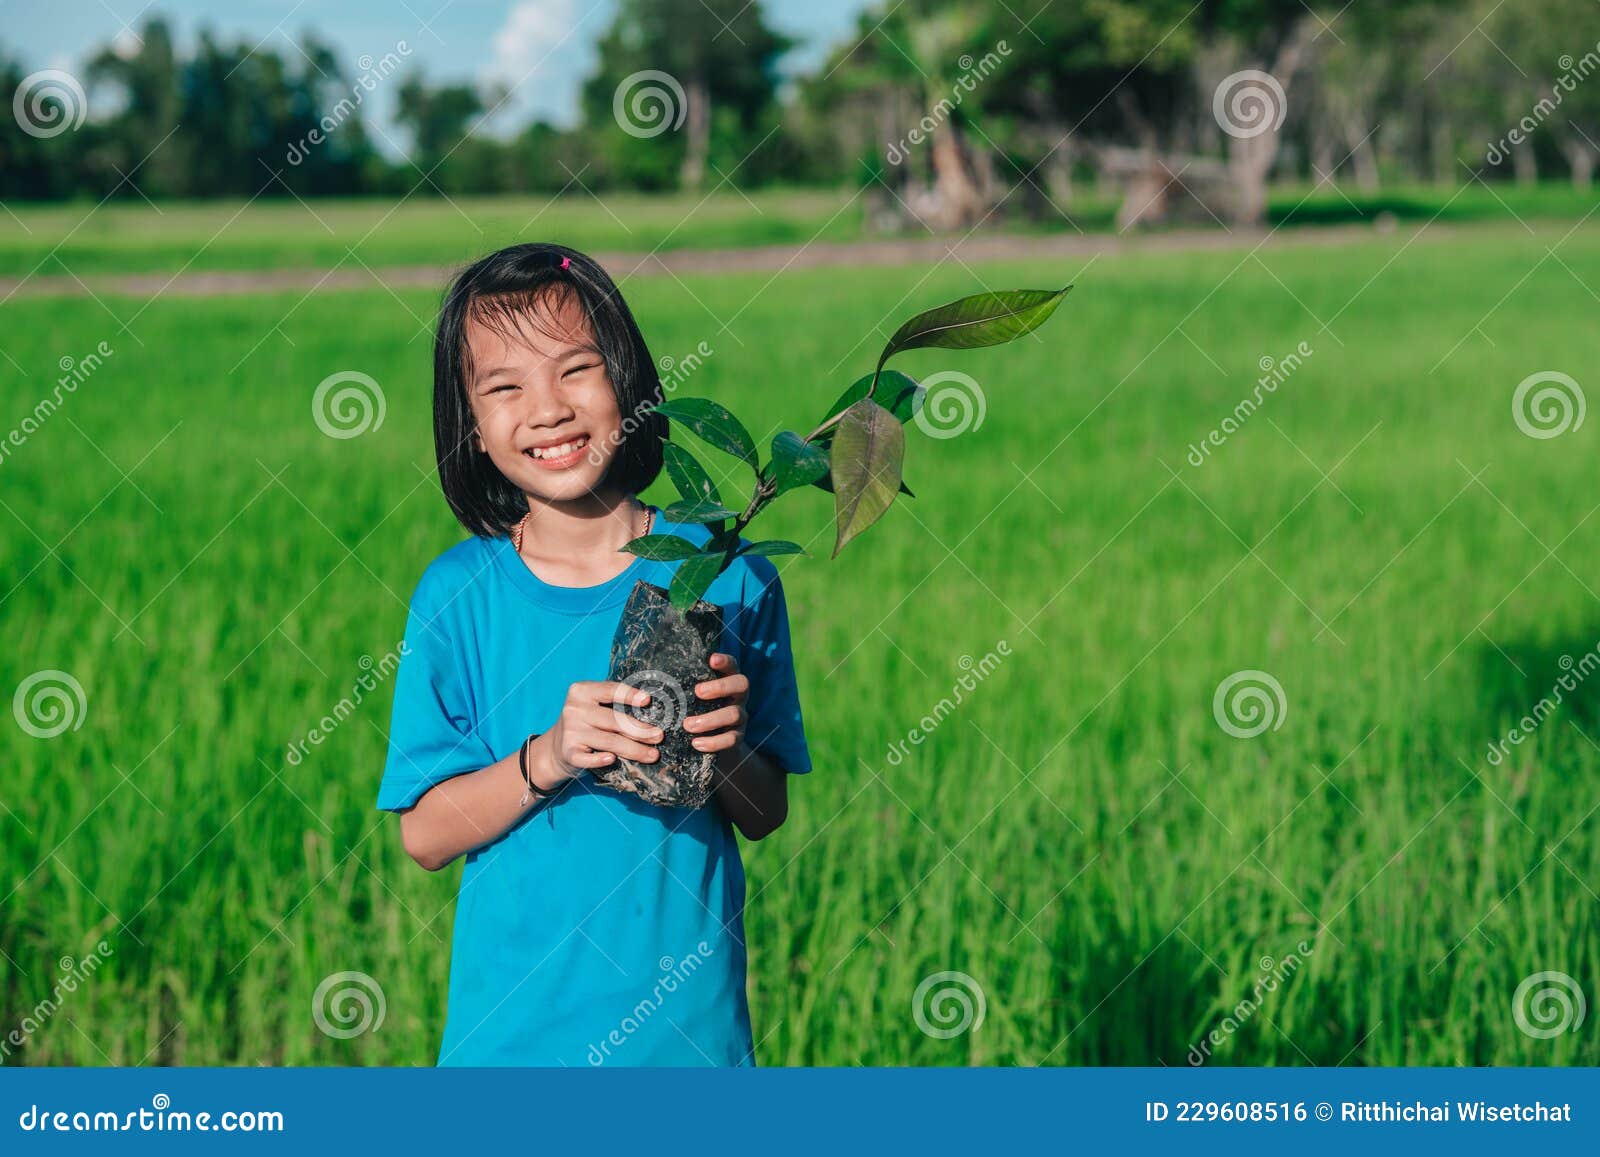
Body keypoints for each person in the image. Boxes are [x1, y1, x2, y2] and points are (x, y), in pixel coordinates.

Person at [376, 242, 812, 1065]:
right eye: (504, 386)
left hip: (689, 1051)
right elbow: (426, 835)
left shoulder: (722, 572)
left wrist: (721, 747)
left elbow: (766, 812)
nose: (547, 410)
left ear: (628, 384)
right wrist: (550, 755)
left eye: (576, 370)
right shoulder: (460, 594)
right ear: (470, 423)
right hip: (510, 1055)